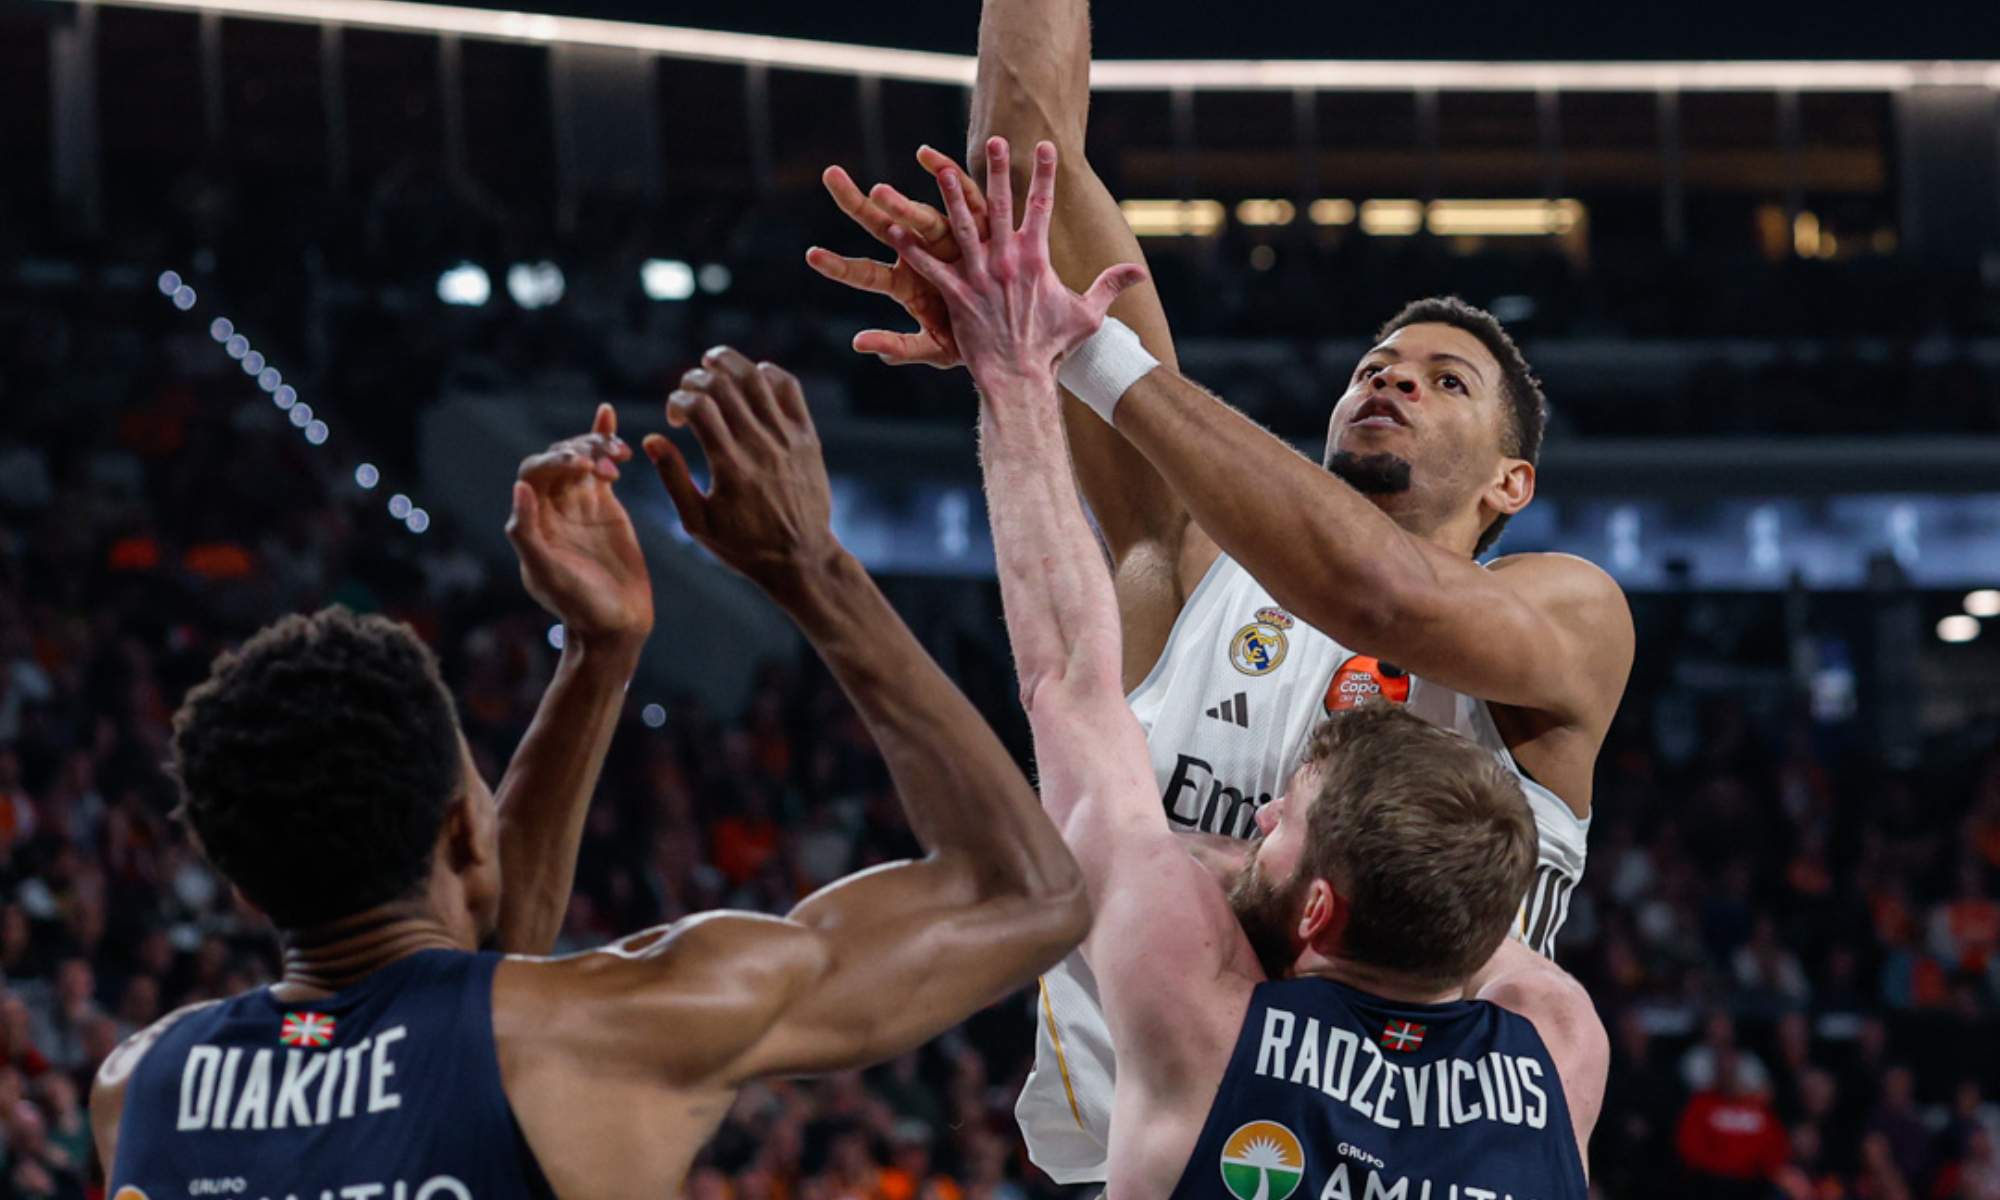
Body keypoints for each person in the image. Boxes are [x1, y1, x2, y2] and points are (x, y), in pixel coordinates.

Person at [810, 3, 1628, 1174]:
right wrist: (1017, 309)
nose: (1392, 379)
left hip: (1430, 1162)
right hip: (1132, 1161)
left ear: (1512, 480)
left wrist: (1073, 352)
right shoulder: (1184, 558)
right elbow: (1028, 167)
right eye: (1374, 367)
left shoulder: (1563, 614)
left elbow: (1378, 594)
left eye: (1443, 381)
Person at [90, 399, 1088, 1198]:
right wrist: (809, 566)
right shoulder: (609, 1032)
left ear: (240, 884)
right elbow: (1022, 896)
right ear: (461, 832)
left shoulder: (139, 1087)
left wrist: (596, 657)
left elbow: (444, 1020)